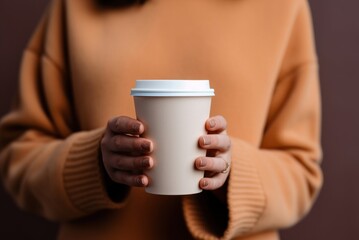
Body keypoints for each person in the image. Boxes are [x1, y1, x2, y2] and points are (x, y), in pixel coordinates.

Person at [0, 0, 323, 239]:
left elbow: (302, 172)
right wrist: (95, 163)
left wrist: (233, 174)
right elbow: (19, 157)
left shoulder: (282, 7)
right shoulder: (73, 7)